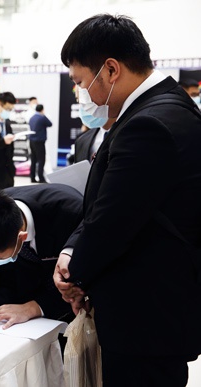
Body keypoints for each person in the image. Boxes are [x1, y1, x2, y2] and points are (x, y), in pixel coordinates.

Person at [53, 14, 201, 387]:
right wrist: (74, 251)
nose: (81, 92)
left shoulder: (148, 124)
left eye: (81, 82)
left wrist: (74, 275)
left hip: (146, 318)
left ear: (111, 70)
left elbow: (113, 221)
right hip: (153, 313)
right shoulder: (165, 108)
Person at [0, 185, 83, 330]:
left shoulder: (71, 215)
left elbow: (79, 284)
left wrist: (33, 308)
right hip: (13, 292)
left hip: (62, 307)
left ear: (22, 237)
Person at [28, 104, 53, 183]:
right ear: (42, 109)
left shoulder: (31, 118)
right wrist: (44, 115)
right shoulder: (42, 118)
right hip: (39, 142)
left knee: (33, 160)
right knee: (41, 160)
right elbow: (50, 124)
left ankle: (32, 177)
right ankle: (41, 178)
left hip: (31, 141)